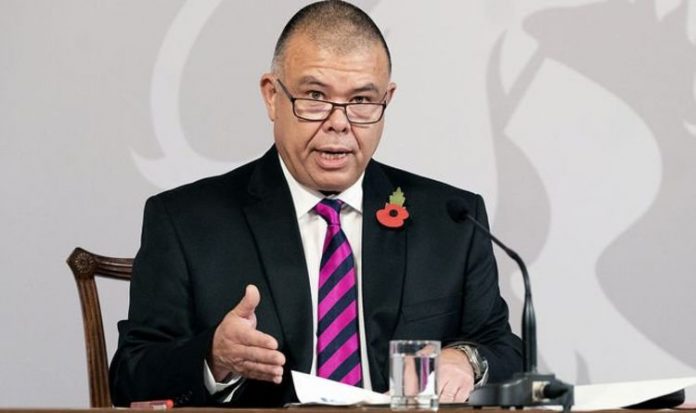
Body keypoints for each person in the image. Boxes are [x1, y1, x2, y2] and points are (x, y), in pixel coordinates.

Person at [110, 0, 522, 407]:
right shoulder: (186, 221)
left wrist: (467, 360)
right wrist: (213, 358)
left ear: (387, 100)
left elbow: (505, 350)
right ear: (272, 96)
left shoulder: (451, 219)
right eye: (314, 96)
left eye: (361, 101)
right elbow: (131, 376)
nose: (338, 122)